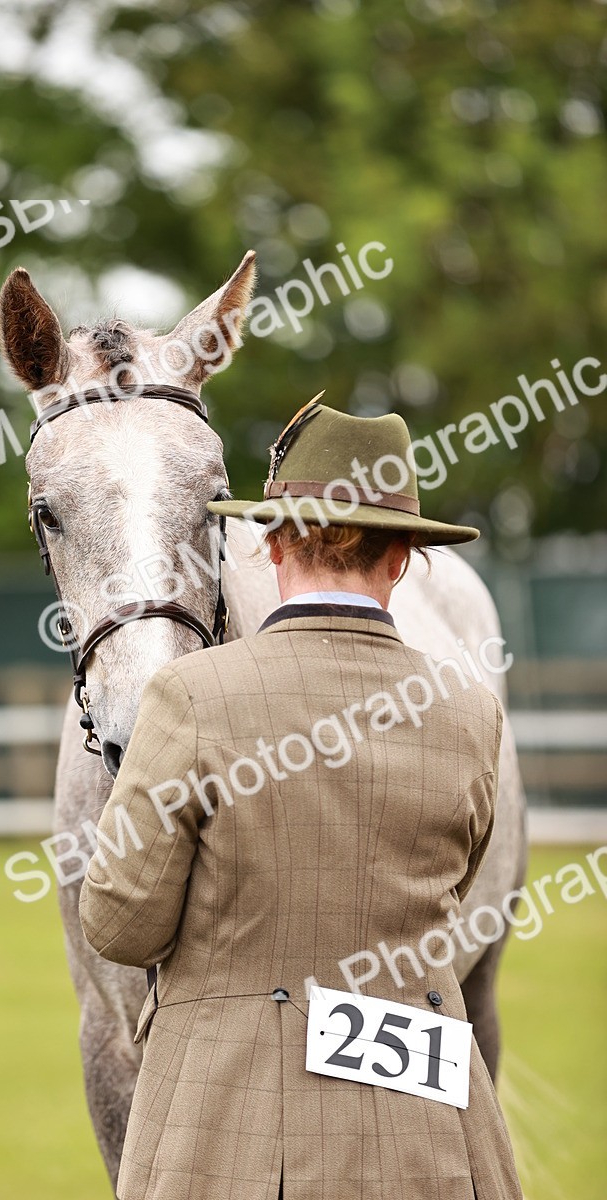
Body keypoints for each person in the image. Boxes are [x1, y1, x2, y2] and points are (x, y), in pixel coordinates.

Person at [79, 398, 522, 1199]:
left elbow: (120, 925)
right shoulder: (470, 711)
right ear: (404, 561)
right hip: (430, 1130)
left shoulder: (188, 696)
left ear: (273, 545)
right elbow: (451, 894)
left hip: (224, 1132)